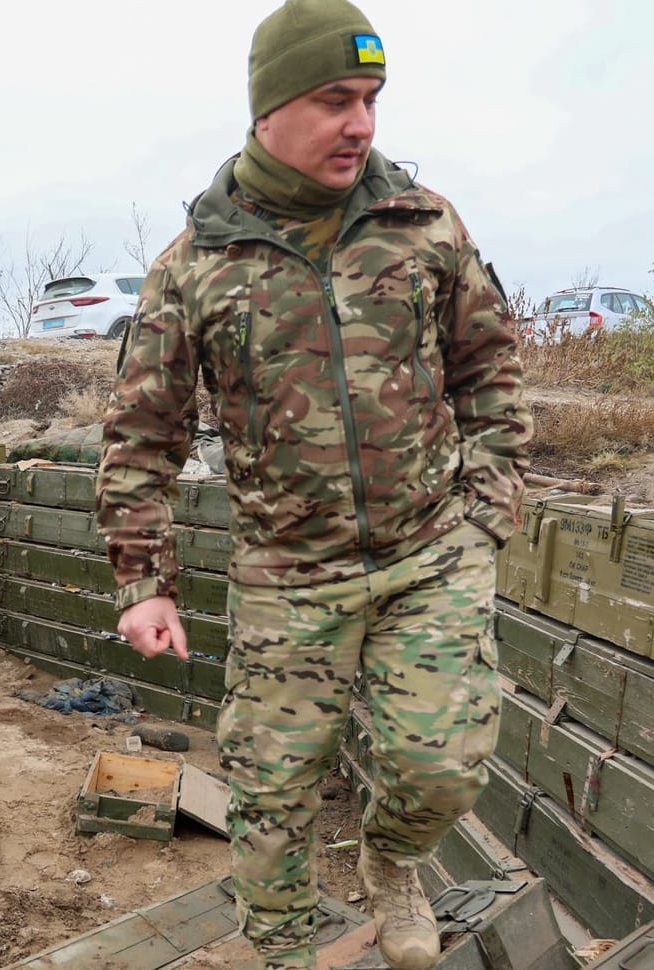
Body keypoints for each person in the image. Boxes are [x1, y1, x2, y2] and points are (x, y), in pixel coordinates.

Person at [94, 2, 531, 968]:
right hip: (289, 576)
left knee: (439, 768)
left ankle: (390, 861)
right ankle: (289, 948)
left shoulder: (422, 224)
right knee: (270, 795)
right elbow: (141, 432)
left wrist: (486, 514)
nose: (362, 124)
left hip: (430, 555)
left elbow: (490, 368)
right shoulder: (196, 265)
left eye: (371, 99)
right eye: (336, 99)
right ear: (270, 109)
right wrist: (144, 579)